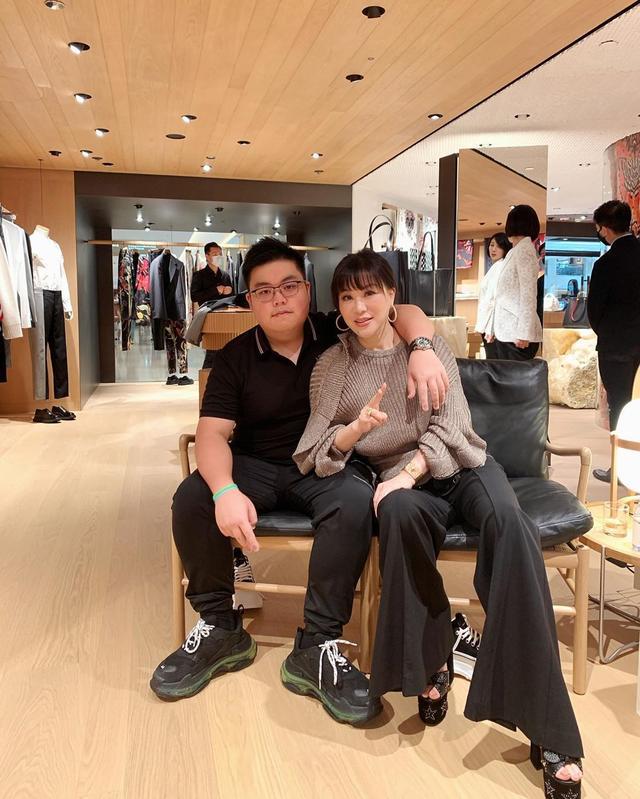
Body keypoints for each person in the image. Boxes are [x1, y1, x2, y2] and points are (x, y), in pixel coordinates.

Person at [294, 249, 584, 799]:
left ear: (391, 295)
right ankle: (433, 664)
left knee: (511, 525)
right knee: (397, 513)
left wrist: (408, 471)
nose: (360, 306)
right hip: (403, 486)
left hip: (463, 466)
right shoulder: (333, 366)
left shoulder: (425, 347)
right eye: (348, 297)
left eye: (371, 292)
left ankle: (550, 725)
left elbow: (454, 423)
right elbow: (314, 451)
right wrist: (355, 433)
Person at [150, 237, 450, 726]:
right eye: (264, 291)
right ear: (249, 300)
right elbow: (211, 434)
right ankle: (220, 626)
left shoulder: (337, 331)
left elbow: (407, 311)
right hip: (254, 464)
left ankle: (317, 643)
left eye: (289, 286)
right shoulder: (234, 356)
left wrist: (421, 348)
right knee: (192, 497)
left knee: (353, 503)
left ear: (308, 291)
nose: (279, 299)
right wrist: (225, 491)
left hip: (325, 461)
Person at [588, 200, 640, 483]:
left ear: (605, 229)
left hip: (615, 347)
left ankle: (621, 469)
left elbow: (594, 311)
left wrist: (607, 332)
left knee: (620, 407)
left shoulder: (605, 264)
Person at [492, 205, 543, 360]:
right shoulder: (517, 250)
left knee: (512, 374)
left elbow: (528, 293)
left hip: (516, 336)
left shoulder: (524, 250)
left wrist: (524, 333)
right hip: (509, 332)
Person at [190, 241, 234, 370]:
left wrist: (230, 292)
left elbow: (233, 299)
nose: (218, 257)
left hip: (225, 318)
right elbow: (194, 296)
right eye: (214, 254)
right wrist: (215, 290)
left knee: (226, 351)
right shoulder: (199, 275)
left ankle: (222, 377)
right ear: (207, 256)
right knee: (211, 351)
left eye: (219, 254)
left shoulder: (225, 275)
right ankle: (207, 377)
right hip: (209, 318)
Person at [475, 232, 512, 358]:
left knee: (494, 361)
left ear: (505, 248)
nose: (494, 249)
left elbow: (494, 301)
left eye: (499, 246)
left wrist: (490, 329)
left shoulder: (500, 267)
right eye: (491, 245)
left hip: (493, 327)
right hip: (491, 326)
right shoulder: (496, 267)